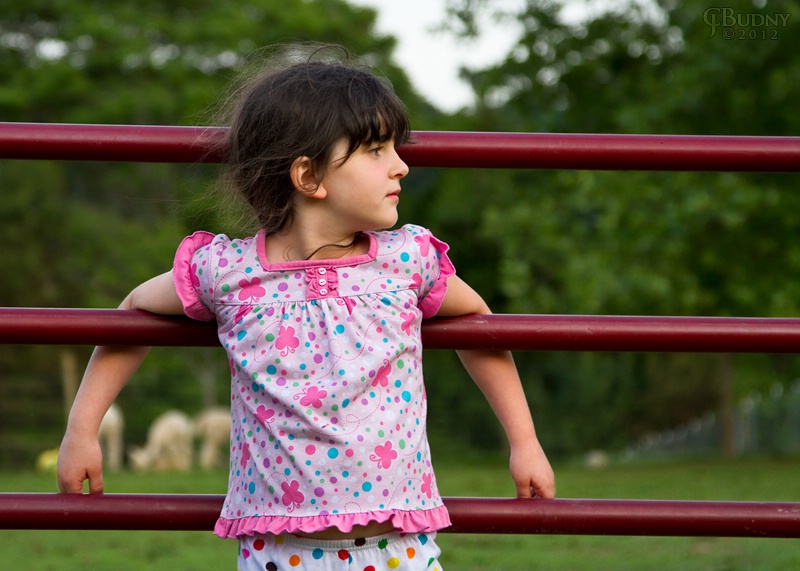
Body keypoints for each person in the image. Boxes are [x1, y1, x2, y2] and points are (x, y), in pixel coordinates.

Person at [57, 43, 555, 570]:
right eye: (375, 150)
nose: (401, 167)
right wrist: (82, 431)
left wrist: (524, 441)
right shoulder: (229, 271)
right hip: (278, 551)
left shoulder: (407, 261)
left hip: (397, 547)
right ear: (308, 177)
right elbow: (133, 313)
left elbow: (479, 327)